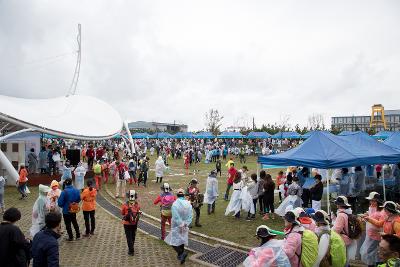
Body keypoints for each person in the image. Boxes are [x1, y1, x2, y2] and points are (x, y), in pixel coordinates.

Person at [164, 188, 192, 264]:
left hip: (177, 225)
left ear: (177, 195)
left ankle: (181, 253)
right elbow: (190, 215)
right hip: (185, 225)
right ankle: (181, 256)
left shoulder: (175, 204)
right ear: (183, 195)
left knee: (172, 242)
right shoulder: (188, 204)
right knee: (182, 240)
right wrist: (186, 223)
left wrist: (180, 223)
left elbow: (176, 216)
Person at [360, 192, 383, 267]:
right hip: (369, 233)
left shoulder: (381, 211)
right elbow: (371, 215)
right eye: (371, 200)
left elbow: (380, 224)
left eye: (373, 201)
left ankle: (371, 265)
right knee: (372, 252)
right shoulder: (371, 207)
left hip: (375, 235)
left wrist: (368, 219)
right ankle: (373, 264)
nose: (371, 202)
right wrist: (366, 215)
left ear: (378, 201)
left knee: (367, 252)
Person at [332, 196, 358, 263]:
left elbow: (336, 230)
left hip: (343, 240)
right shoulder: (349, 213)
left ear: (338, 205)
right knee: (349, 258)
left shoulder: (341, 215)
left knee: (344, 259)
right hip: (351, 238)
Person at [121, 190, 141, 256]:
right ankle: (132, 245)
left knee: (128, 236)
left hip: (127, 223)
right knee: (133, 235)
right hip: (134, 223)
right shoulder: (137, 205)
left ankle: (131, 250)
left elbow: (122, 213)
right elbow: (138, 211)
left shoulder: (125, 205)